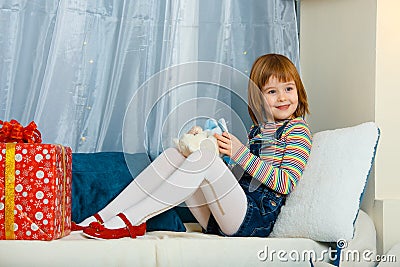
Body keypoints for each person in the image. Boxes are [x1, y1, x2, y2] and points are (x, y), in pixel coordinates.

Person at [76, 54, 312, 239]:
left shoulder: (297, 131)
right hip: (221, 217)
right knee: (173, 155)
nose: (282, 97)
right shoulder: (257, 130)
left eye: (288, 88)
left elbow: (286, 182)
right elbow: (240, 177)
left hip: (255, 220)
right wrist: (204, 146)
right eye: (272, 91)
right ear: (258, 98)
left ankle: (131, 221)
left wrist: (239, 154)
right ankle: (102, 217)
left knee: (205, 159)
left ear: (298, 92)